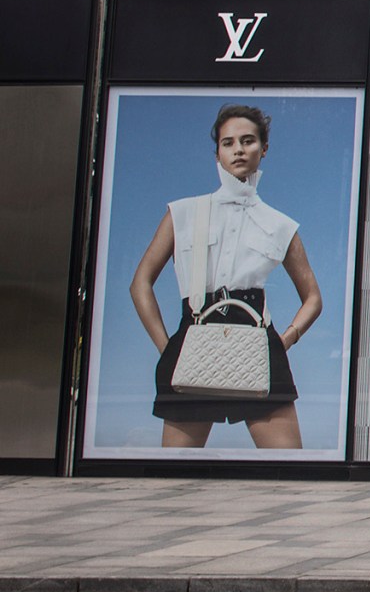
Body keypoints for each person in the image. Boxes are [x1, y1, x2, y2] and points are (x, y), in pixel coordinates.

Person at [128, 103, 323, 449]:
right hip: (193, 339)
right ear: (217, 152)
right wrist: (168, 349)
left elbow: (313, 298)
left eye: (247, 141)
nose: (238, 150)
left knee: (291, 472)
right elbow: (140, 283)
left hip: (259, 345)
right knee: (174, 481)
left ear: (263, 149)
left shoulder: (281, 225)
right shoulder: (183, 213)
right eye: (228, 142)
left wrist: (285, 340)